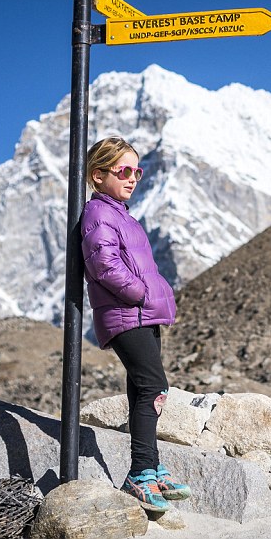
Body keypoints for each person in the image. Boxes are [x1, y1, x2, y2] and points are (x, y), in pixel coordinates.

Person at [81, 136, 191, 512]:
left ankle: (150, 468)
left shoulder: (121, 214)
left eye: (137, 171)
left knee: (142, 392)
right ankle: (140, 474)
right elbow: (104, 266)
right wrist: (141, 293)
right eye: (123, 171)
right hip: (128, 313)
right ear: (98, 175)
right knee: (154, 388)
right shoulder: (99, 214)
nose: (132, 178)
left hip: (141, 313)